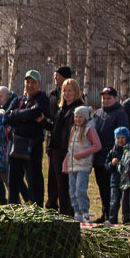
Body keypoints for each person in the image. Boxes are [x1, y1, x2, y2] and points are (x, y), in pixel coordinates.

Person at [1, 70, 52, 205]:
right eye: (27, 82)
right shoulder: (18, 100)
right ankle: (12, 208)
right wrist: (24, 114)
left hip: (32, 146)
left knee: (34, 180)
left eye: (33, 83)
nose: (30, 85)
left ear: (39, 84)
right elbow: (6, 117)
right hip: (16, 146)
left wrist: (16, 115)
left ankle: (37, 209)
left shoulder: (42, 99)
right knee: (13, 182)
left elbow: (37, 112)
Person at [46, 76, 82, 217]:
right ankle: (61, 212)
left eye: (70, 91)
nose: (67, 93)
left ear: (76, 92)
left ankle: (68, 214)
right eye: (64, 91)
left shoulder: (77, 109)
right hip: (56, 150)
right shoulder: (61, 109)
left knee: (68, 185)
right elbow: (56, 128)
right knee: (57, 184)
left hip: (69, 151)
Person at [89, 86, 125, 223]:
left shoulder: (120, 113)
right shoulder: (98, 113)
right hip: (98, 158)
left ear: (115, 99)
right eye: (103, 98)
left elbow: (123, 134)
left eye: (109, 98)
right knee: (102, 186)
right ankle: (104, 213)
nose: (105, 100)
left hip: (112, 157)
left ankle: (111, 216)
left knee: (112, 189)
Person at [60, 106, 101, 225]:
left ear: (85, 117)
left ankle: (85, 212)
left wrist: (81, 154)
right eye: (76, 117)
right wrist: (65, 163)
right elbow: (70, 149)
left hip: (83, 165)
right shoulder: (74, 129)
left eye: (80, 117)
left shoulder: (89, 129)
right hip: (73, 165)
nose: (78, 119)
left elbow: (97, 146)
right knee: (72, 190)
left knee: (80, 189)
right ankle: (76, 212)